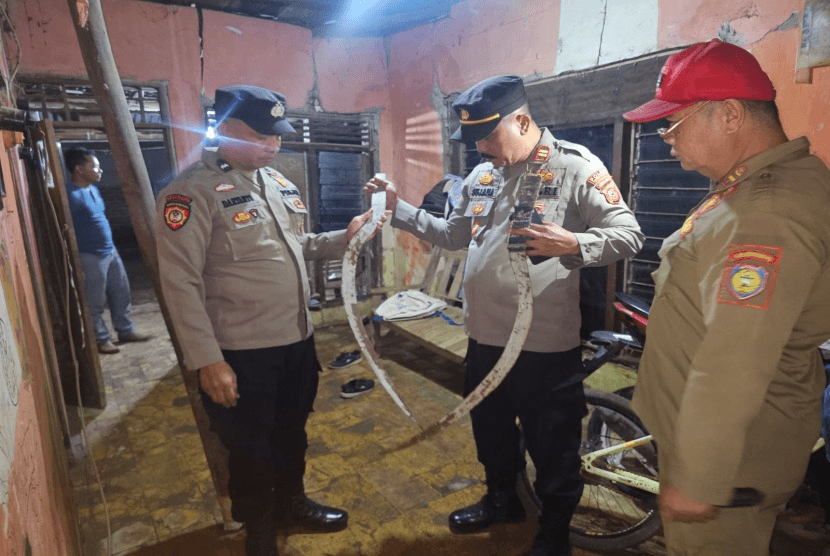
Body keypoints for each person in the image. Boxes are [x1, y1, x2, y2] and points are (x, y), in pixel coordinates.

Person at [369, 75, 643, 556]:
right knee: (491, 432)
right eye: (473, 138)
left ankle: (554, 531)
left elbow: (629, 234)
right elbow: (453, 235)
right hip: (483, 339)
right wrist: (399, 210)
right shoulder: (483, 175)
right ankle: (502, 501)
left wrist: (575, 243)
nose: (480, 147)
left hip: (543, 347)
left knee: (552, 445)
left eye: (487, 136)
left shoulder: (574, 166)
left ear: (520, 121)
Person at [156, 85, 384, 556]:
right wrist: (207, 360)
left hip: (296, 340)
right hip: (241, 352)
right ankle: (258, 530)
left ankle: (292, 504)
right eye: (261, 136)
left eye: (277, 136)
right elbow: (180, 284)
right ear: (226, 129)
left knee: (291, 433)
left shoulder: (277, 183)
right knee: (250, 447)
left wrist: (345, 236)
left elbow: (300, 246)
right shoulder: (190, 192)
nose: (272, 145)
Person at [623, 38, 830, 555]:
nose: (666, 138)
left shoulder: (767, 213)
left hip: (729, 466)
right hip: (728, 445)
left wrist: (699, 477)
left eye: (673, 123)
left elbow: (737, 357)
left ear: (731, 115)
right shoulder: (753, 187)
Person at [64, 147, 151, 354]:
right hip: (90, 254)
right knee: (95, 300)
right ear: (79, 169)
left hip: (110, 251)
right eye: (94, 166)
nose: (100, 170)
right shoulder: (69, 195)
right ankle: (101, 339)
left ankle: (125, 330)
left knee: (121, 292)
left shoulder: (93, 190)